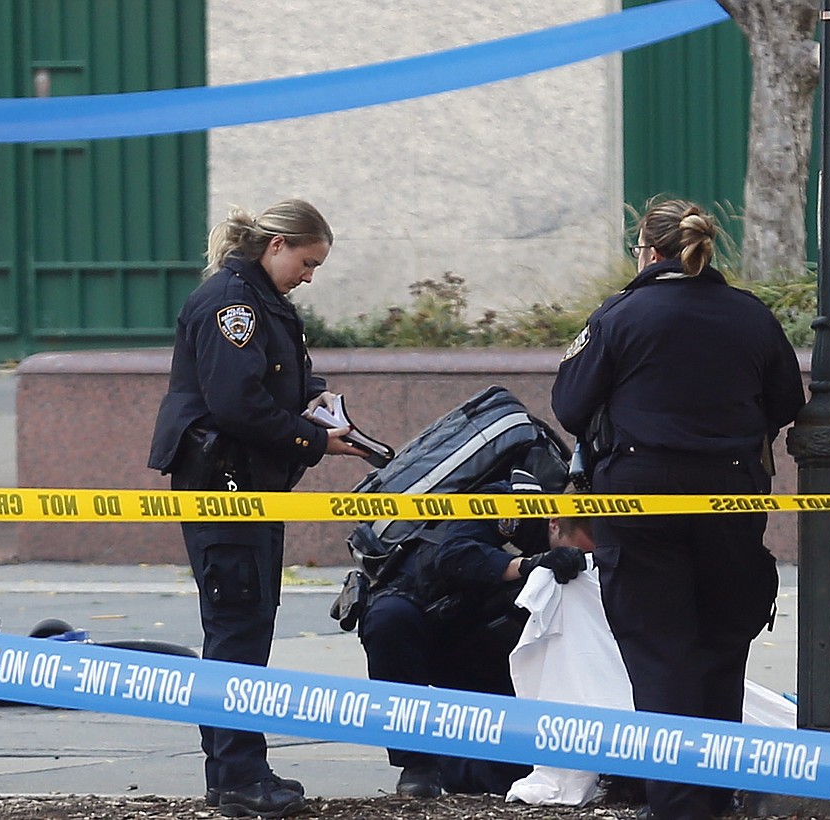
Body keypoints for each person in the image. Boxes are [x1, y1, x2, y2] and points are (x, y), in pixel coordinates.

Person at [550, 197, 805, 820]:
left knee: (661, 652)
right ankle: (713, 800)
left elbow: (571, 405)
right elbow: (787, 400)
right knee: (721, 645)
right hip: (731, 496)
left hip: (639, 502)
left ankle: (678, 806)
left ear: (649, 251)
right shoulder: (751, 315)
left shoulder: (620, 316)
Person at [147, 198, 365, 819]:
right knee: (238, 627)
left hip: (250, 483)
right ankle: (238, 777)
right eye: (307, 261)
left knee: (246, 626)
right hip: (225, 484)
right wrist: (312, 439)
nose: (309, 274)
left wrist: (316, 403)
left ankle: (237, 770)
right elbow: (236, 402)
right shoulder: (231, 304)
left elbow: (270, 383)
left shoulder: (261, 301)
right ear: (275, 245)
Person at [358, 468, 594, 799]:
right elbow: (454, 554)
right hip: (427, 616)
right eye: (577, 551)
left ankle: (452, 764)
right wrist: (531, 564)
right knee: (388, 620)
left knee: (524, 774)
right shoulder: (515, 502)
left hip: (493, 645)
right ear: (554, 523)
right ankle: (418, 765)